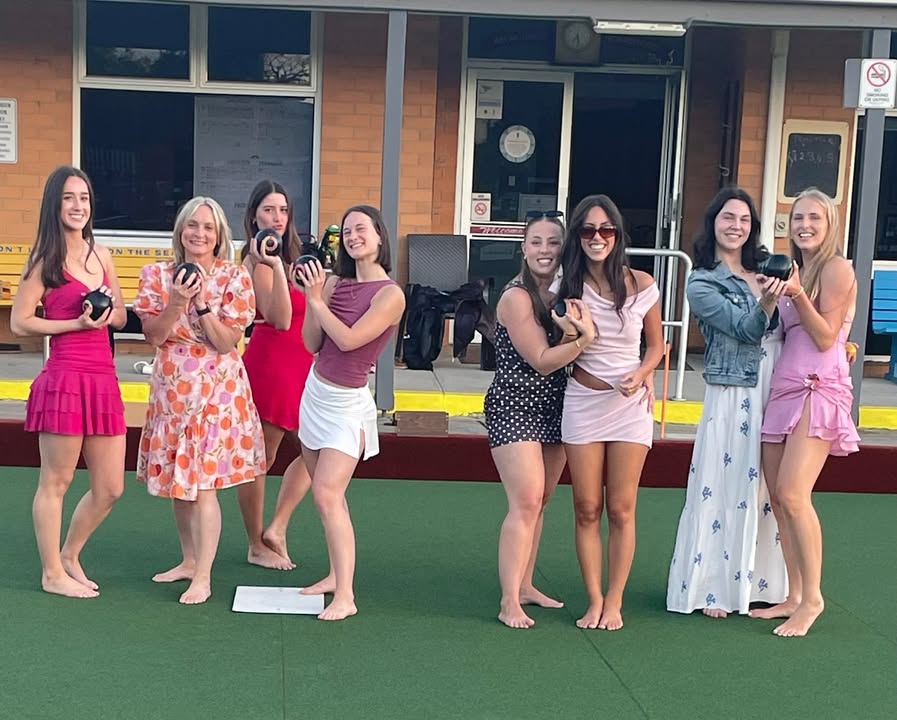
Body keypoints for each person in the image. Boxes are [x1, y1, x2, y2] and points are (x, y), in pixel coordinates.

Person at [134, 196, 265, 605]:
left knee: (203, 485)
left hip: (216, 392)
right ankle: (189, 560)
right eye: (193, 226)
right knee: (180, 485)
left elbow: (227, 341)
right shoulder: (156, 275)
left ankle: (204, 576)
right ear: (181, 231)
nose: (200, 234)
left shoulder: (234, 278)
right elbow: (153, 336)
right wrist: (176, 300)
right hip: (172, 392)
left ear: (220, 235)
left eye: (208, 228)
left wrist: (202, 303)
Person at [666, 187, 789, 618]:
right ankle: (712, 587)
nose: (736, 226)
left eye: (743, 219)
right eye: (727, 217)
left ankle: (765, 584)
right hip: (735, 388)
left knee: (769, 486)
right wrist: (770, 299)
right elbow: (744, 329)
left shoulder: (768, 268)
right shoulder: (702, 281)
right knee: (726, 480)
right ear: (713, 223)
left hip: (777, 382)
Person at [11, 165, 127, 599]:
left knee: (111, 486)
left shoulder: (102, 255)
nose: (78, 206)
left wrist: (104, 313)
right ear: (54, 205)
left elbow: (118, 314)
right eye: (68, 198)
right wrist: (74, 323)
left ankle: (70, 555)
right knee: (55, 482)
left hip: (102, 378)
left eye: (84, 198)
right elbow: (21, 322)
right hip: (64, 376)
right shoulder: (44, 259)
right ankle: (50, 573)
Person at [752, 188, 859, 637]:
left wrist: (797, 294)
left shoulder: (836, 268)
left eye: (814, 217)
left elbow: (824, 336)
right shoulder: (793, 269)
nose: (805, 225)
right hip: (785, 387)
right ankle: (793, 594)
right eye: (798, 217)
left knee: (795, 494)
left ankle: (812, 598)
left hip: (819, 389)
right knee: (777, 497)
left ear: (830, 223)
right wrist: (773, 296)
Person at [292, 205, 405, 621]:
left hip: (347, 404)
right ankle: (335, 576)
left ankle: (347, 596)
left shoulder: (390, 294)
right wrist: (314, 300)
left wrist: (318, 302)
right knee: (324, 500)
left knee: (327, 493)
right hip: (315, 393)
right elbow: (312, 344)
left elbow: (352, 340)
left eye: (362, 229)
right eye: (347, 231)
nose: (354, 236)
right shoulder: (335, 282)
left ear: (379, 237)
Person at [556, 194, 664, 630]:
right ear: (577, 237)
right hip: (582, 401)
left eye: (605, 230)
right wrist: (572, 331)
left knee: (621, 508)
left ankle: (615, 600)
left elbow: (656, 346)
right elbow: (562, 347)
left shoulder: (642, 283)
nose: (596, 238)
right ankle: (594, 599)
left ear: (618, 234)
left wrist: (643, 373)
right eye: (587, 230)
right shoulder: (566, 283)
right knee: (585, 507)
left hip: (629, 406)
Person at [485, 211, 596, 629]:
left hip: (556, 406)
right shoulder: (516, 297)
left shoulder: (567, 293)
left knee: (541, 501)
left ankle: (527, 584)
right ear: (523, 249)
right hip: (515, 405)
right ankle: (508, 600)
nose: (544, 250)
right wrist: (584, 339)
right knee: (526, 500)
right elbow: (544, 361)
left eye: (553, 243)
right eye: (536, 242)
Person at [237, 180, 315, 570]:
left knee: (321, 450)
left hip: (303, 366)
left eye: (283, 210)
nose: (277, 218)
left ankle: (277, 527)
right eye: (269, 210)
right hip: (272, 365)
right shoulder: (258, 263)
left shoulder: (291, 257)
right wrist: (273, 267)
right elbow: (280, 318)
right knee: (261, 458)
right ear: (254, 216)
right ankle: (256, 543)